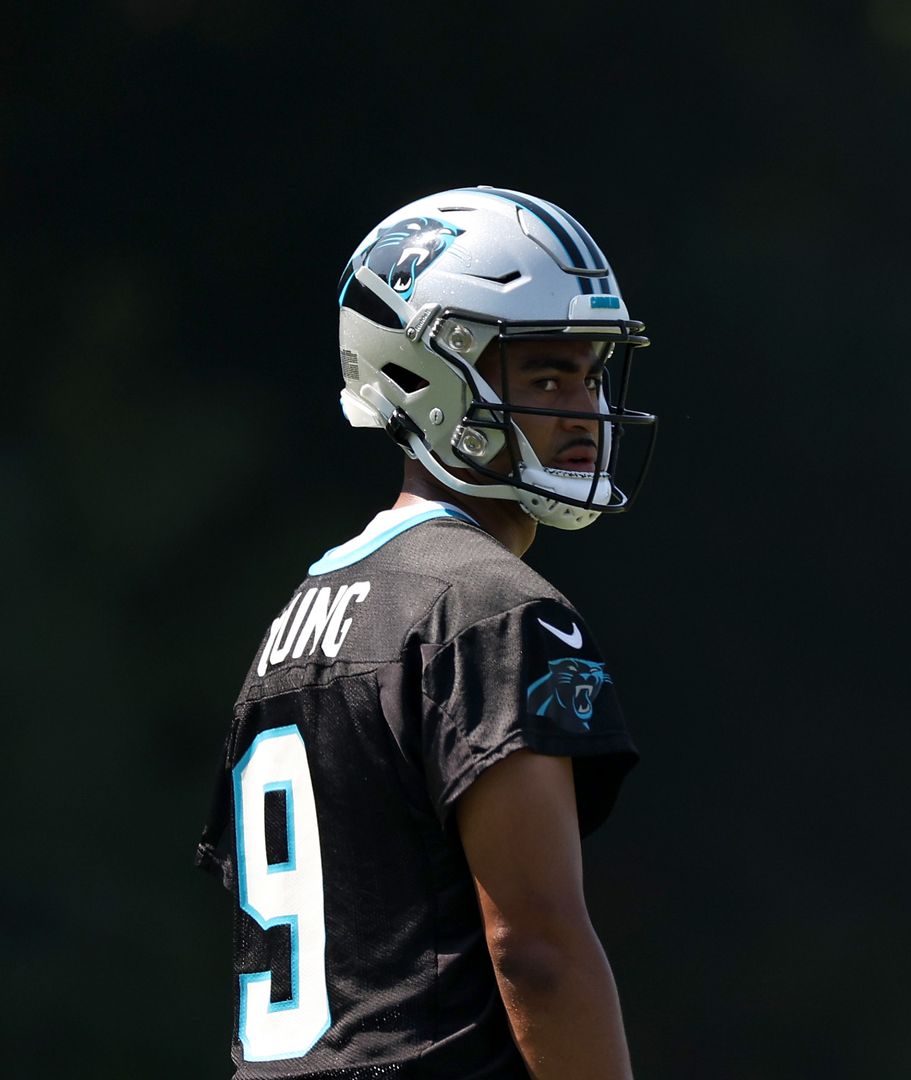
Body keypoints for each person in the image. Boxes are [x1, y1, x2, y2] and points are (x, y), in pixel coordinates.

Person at [195, 187, 657, 1078]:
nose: (584, 412)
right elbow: (537, 952)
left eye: (591, 375)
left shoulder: (292, 624)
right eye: (546, 377)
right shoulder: (489, 606)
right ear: (425, 377)